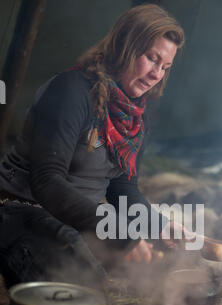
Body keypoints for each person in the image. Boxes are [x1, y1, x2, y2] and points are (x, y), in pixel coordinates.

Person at [0, 4, 186, 290]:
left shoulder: (137, 114)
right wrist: (117, 233)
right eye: (152, 58)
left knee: (158, 279)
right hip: (20, 212)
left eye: (165, 67)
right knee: (80, 291)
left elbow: (121, 184)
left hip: (76, 221)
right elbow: (47, 181)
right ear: (125, 46)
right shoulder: (71, 91)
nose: (156, 74)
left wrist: (154, 223)